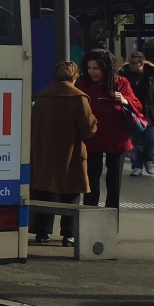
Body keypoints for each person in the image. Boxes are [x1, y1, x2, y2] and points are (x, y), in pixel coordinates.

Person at [29, 61, 97, 246]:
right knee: (71, 193)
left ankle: (42, 233)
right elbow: (88, 129)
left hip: (44, 153)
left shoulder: (42, 97)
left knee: (44, 191)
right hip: (70, 153)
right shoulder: (78, 98)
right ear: (74, 76)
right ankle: (69, 234)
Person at [76, 49, 145, 212]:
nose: (92, 72)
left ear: (106, 68)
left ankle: (111, 221)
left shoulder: (121, 83)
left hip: (117, 139)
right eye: (89, 68)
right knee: (91, 182)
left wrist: (124, 100)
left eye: (96, 68)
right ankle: (91, 218)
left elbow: (138, 105)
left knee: (114, 183)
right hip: (92, 138)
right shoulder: (83, 84)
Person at [119, 51, 154, 176]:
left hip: (149, 114)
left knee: (152, 141)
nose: (131, 65)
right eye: (130, 62)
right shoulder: (124, 76)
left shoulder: (151, 76)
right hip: (132, 114)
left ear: (142, 63)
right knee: (134, 142)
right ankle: (137, 165)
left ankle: (148, 160)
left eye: (134, 63)